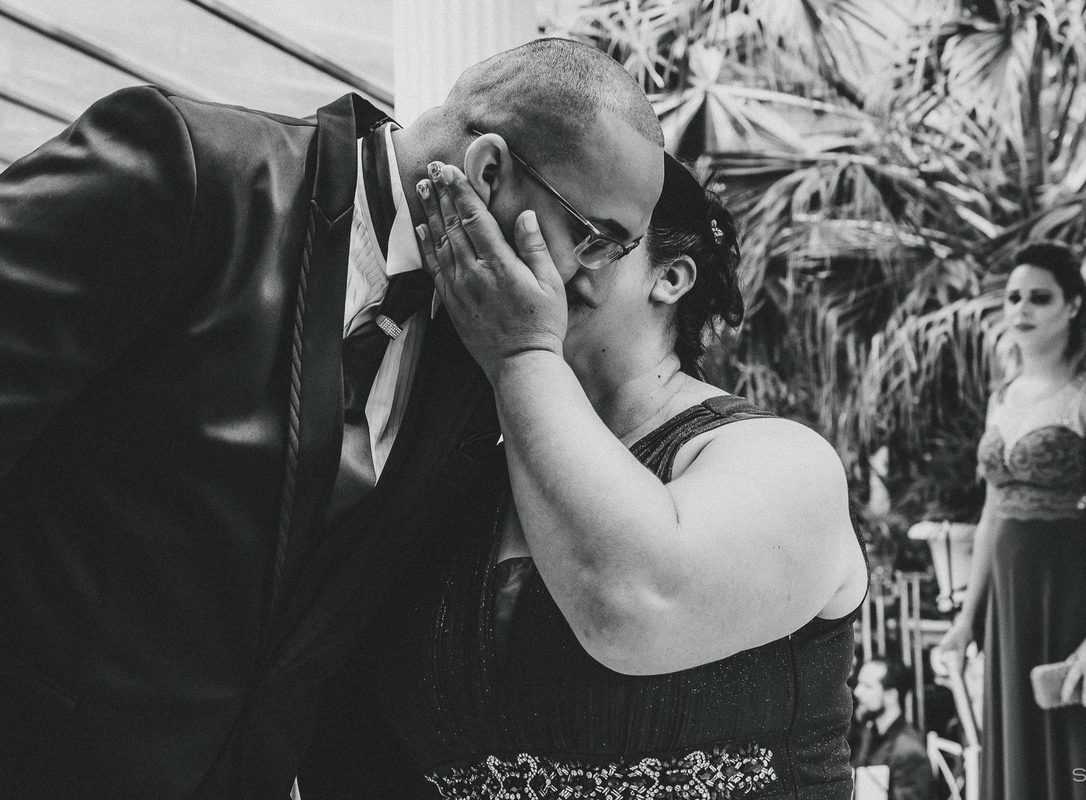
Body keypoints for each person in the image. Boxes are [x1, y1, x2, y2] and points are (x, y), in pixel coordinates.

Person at [0, 39, 664, 799]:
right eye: (595, 238)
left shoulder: (484, 349)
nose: (589, 282)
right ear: (488, 172)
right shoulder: (191, 170)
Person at [299, 155, 871, 798]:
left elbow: (638, 603)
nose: (537, 256)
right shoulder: (459, 482)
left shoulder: (779, 460)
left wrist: (522, 354)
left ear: (672, 276)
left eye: (589, 239)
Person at [934, 241, 1086, 799]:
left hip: (1074, 595)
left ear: (1073, 307)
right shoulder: (1003, 397)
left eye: (1039, 297)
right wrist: (968, 619)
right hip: (1009, 606)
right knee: (1019, 751)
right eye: (1014, 297)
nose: (1022, 309)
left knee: (1083, 749)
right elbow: (992, 511)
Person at [851, 659, 934, 800]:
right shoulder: (868, 735)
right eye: (859, 683)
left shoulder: (909, 751)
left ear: (891, 695)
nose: (857, 692)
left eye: (867, 686)